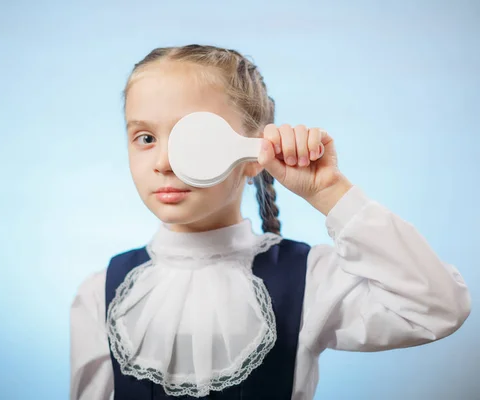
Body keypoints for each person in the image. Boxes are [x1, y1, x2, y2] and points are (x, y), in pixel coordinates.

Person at [69, 44, 471, 400]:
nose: (163, 163)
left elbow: (438, 308)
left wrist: (328, 191)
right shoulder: (101, 294)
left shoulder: (310, 278)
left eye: (191, 140)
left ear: (249, 155)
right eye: (145, 138)